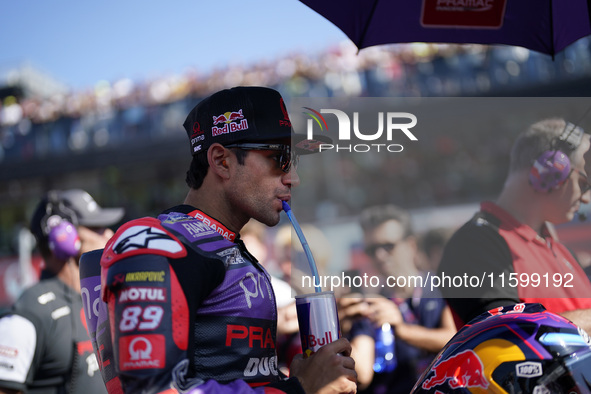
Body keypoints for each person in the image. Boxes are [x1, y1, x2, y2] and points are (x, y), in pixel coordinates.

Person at [82, 86, 357, 394]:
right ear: (222, 161)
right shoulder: (158, 241)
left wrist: (296, 377)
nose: (293, 177)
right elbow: (156, 389)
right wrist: (301, 388)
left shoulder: (227, 245)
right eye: (279, 158)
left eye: (294, 162)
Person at [438, 118, 591, 333]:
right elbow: (507, 333)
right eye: (584, 184)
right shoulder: (473, 245)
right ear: (548, 170)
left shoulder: (559, 249)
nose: (586, 198)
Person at [0, 189, 125, 393]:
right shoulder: (29, 315)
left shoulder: (100, 297)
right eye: (96, 228)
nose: (109, 234)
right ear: (64, 237)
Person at [338, 204, 456, 394]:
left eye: (388, 246)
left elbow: (456, 338)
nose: (380, 255)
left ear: (411, 245)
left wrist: (402, 330)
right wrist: (339, 330)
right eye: (371, 249)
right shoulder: (370, 304)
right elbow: (363, 374)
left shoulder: (442, 286)